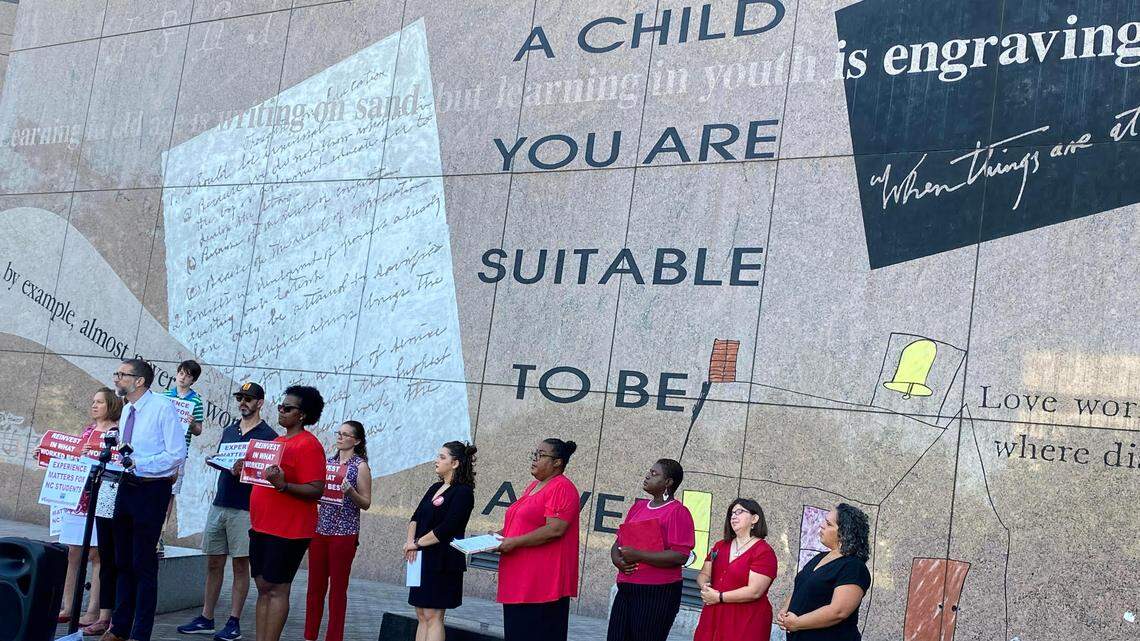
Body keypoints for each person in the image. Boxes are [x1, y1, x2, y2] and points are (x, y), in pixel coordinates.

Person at [177, 382, 276, 641]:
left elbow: (268, 476)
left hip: (245, 508)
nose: (243, 402)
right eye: (240, 398)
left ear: (260, 403)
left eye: (249, 398)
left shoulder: (269, 436)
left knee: (241, 565)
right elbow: (225, 459)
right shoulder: (230, 430)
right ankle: (207, 618)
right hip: (220, 503)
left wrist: (248, 470)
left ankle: (234, 621)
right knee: (213, 562)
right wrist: (216, 460)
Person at [102, 358, 187, 641]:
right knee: (121, 560)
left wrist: (139, 463)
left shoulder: (163, 408)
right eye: (117, 373)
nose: (117, 378)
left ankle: (140, 633)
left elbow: (176, 454)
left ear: (139, 381)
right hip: (126, 487)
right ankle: (119, 627)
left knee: (143, 563)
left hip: (151, 490)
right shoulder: (127, 410)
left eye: (122, 375)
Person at [239, 385, 326, 641]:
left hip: (288, 530)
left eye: (287, 408)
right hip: (262, 526)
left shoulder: (309, 445)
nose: (281, 411)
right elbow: (262, 477)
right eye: (280, 406)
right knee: (264, 587)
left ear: (302, 414)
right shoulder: (277, 441)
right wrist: (245, 468)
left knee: (277, 588)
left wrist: (284, 486)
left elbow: (316, 489)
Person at [47, 388, 121, 630]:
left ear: (110, 405)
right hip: (81, 497)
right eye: (93, 401)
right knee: (73, 552)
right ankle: (68, 606)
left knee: (97, 554)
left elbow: (117, 461)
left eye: (99, 402)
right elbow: (72, 455)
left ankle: (93, 610)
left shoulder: (117, 431)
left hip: (103, 495)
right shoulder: (88, 431)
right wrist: (48, 456)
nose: (94, 405)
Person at [496, 438, 581, 641]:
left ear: (557, 462)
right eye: (534, 454)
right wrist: (498, 536)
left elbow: (555, 529)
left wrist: (513, 542)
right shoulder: (534, 486)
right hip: (519, 578)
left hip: (541, 584)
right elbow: (523, 524)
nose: (535, 459)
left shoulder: (562, 487)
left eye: (541, 455)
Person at [607, 459, 695, 641]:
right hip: (626, 588)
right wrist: (617, 560)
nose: (647, 476)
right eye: (649, 471)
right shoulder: (638, 507)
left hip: (657, 592)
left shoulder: (677, 512)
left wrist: (638, 555)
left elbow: (680, 555)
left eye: (655, 474)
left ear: (668, 482)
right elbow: (619, 542)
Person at [304, 421, 373, 641]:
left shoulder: (360, 466)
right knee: (315, 586)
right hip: (321, 529)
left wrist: (350, 491)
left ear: (357, 440)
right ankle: (309, 635)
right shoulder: (329, 463)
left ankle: (334, 637)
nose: (340, 437)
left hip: (344, 533)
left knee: (337, 590)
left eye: (346, 434)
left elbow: (366, 502)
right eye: (339, 433)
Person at [404, 441, 478, 641]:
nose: (437, 460)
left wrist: (417, 543)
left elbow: (447, 528)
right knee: (420, 614)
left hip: (442, 561)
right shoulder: (435, 487)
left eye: (442, 457)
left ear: (455, 463)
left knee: (433, 615)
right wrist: (410, 542)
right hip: (418, 558)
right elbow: (416, 517)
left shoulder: (463, 492)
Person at [777, 504, 872, 640]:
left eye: (828, 524)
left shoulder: (853, 567)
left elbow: (838, 612)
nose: (822, 525)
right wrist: (785, 611)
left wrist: (797, 623)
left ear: (844, 533)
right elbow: (801, 588)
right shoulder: (819, 558)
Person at [693, 498, 778, 641]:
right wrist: (705, 587)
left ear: (754, 518)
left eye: (739, 512)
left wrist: (719, 597)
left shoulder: (764, 552)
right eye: (731, 513)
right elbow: (704, 574)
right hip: (713, 614)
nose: (733, 516)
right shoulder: (720, 546)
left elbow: (755, 591)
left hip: (746, 619)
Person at [161, 360, 205, 556]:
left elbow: (198, 431)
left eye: (188, 375)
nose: (183, 377)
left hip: (179, 453)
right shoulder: (164, 396)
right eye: (181, 373)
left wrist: (192, 421)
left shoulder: (196, 401)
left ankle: (160, 533)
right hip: (161, 449)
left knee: (170, 494)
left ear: (193, 380)